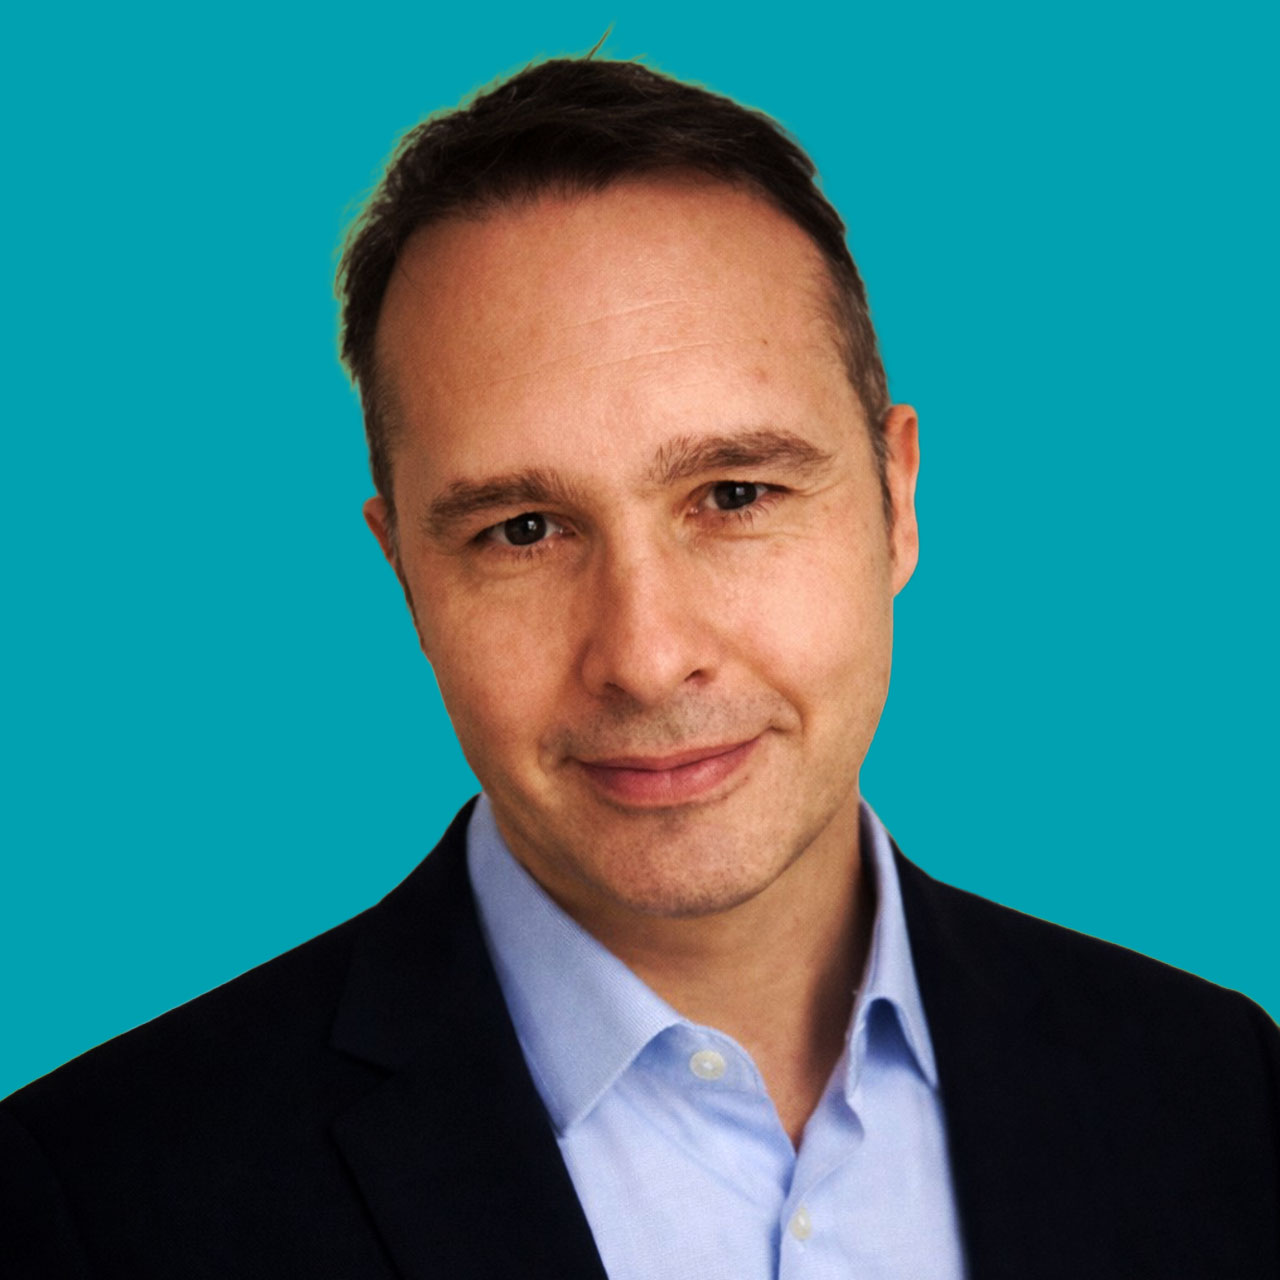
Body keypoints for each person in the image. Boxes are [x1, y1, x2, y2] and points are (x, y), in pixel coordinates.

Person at [2, 56, 1276, 1280]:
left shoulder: (1224, 1089)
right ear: (405, 575)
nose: (646, 655)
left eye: (734, 493)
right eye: (522, 529)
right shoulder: (89, 1202)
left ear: (895, 500)